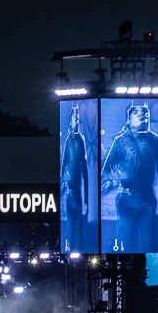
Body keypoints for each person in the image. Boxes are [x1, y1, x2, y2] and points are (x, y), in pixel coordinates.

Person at [101, 103, 158, 253]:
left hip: (147, 200)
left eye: (144, 113)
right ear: (128, 120)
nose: (141, 114)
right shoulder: (120, 141)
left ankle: (148, 267)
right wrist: (109, 180)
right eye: (136, 112)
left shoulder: (155, 141)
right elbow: (106, 167)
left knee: (149, 245)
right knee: (127, 245)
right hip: (125, 200)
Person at [60, 104, 90, 253]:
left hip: (77, 192)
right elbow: (64, 164)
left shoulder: (80, 140)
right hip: (69, 192)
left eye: (78, 118)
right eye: (75, 117)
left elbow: (84, 170)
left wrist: (86, 200)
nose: (77, 120)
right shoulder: (68, 141)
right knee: (70, 226)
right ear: (70, 120)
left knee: (77, 227)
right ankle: (69, 250)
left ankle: (77, 251)